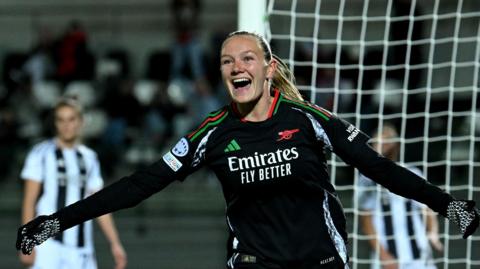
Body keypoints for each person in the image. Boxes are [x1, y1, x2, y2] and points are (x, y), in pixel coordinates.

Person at [16, 31, 479, 269]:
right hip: (255, 263)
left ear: (269, 68)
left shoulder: (310, 120)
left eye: (247, 58)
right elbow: (139, 185)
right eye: (226, 60)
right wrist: (54, 221)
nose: (236, 66)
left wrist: (448, 204)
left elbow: (380, 169)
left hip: (322, 261)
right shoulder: (211, 133)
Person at [18, 97, 127, 269]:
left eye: (71, 119)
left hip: (81, 248)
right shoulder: (41, 153)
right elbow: (29, 200)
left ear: (81, 121)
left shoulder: (89, 158)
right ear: (55, 123)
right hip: (48, 246)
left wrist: (115, 242)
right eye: (60, 119)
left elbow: (100, 204)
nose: (66, 125)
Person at [357, 124, 443, 269]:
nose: (384, 144)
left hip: (419, 255)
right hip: (388, 258)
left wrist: (433, 233)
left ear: (396, 144)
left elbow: (427, 209)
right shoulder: (366, 179)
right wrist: (384, 257)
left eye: (388, 140)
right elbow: (366, 220)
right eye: (380, 141)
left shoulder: (413, 172)